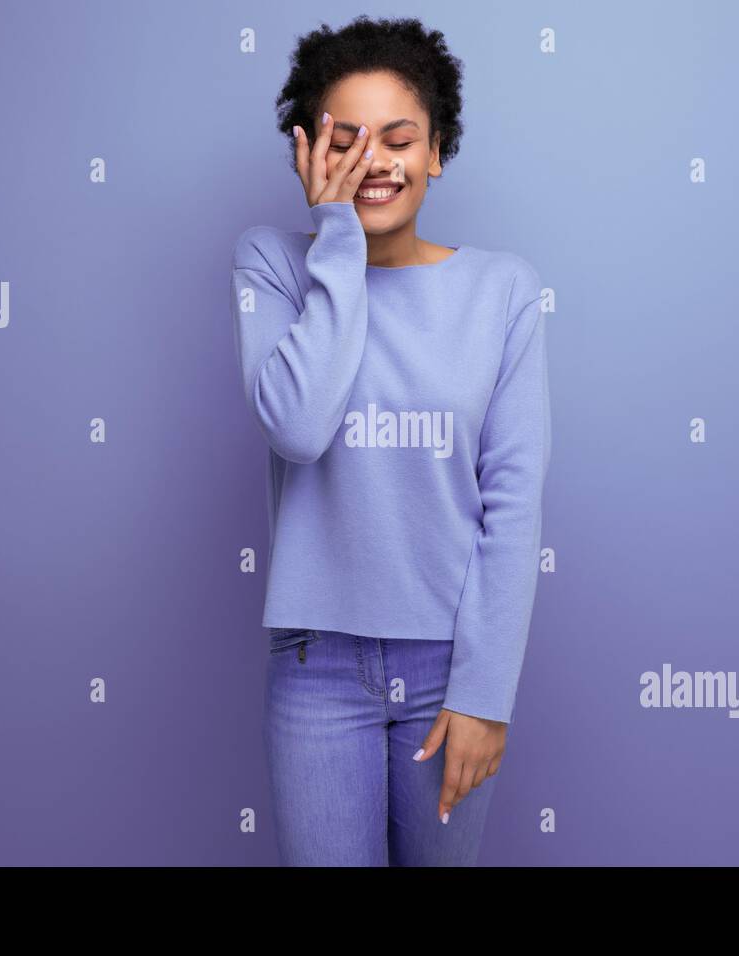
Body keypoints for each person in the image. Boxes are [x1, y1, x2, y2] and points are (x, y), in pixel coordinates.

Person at [230, 15, 551, 866]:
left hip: (452, 667)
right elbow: (299, 428)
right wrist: (336, 240)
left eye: (400, 140)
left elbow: (512, 506)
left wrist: (487, 695)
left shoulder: (504, 291)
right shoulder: (272, 264)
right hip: (317, 665)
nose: (374, 162)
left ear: (437, 151)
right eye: (345, 141)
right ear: (308, 153)